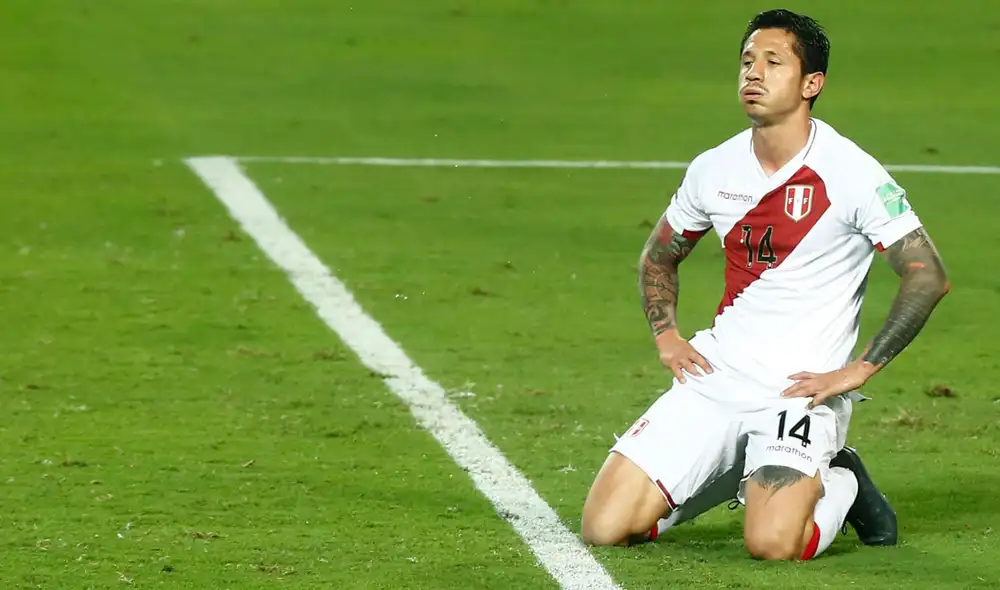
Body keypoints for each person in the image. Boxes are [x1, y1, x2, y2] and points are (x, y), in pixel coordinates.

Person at [580, 8, 950, 561]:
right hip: (717, 377)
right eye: (747, 61)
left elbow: (928, 275)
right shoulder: (713, 167)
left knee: (772, 543)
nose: (753, 73)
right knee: (604, 528)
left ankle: (842, 485)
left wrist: (858, 369)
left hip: (796, 395)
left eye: (773, 62)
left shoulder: (850, 172)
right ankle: (736, 475)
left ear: (811, 84)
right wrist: (668, 337)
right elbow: (660, 256)